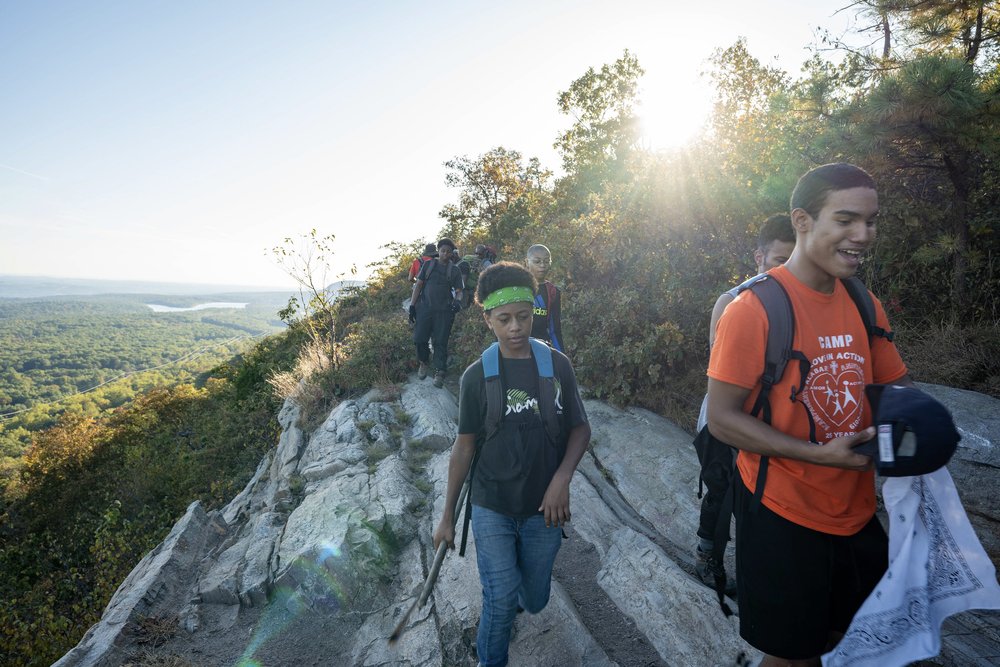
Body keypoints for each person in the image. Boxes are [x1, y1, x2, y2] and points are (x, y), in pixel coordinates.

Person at [707, 163, 913, 665]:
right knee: (792, 655)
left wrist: (912, 432)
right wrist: (818, 454)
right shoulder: (752, 310)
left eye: (871, 221)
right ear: (801, 220)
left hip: (858, 511)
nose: (863, 235)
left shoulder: (865, 303)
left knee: (859, 642)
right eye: (845, 220)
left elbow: (894, 389)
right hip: (781, 513)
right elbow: (722, 419)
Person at [432, 261, 591, 667]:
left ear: (533, 311)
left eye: (523, 316)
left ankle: (517, 597)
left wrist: (562, 480)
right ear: (488, 319)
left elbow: (579, 429)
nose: (516, 327)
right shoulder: (475, 378)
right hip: (492, 505)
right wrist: (447, 516)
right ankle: (491, 658)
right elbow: (464, 449)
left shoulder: (556, 366)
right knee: (500, 598)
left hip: (544, 508)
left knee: (534, 599)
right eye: (504, 319)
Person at [693, 214, 795, 589]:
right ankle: (708, 557)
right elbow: (723, 374)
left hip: (771, 421)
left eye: (794, 260)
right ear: (759, 256)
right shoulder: (734, 301)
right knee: (722, 489)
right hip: (728, 418)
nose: (787, 271)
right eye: (779, 261)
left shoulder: (801, 301)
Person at [409, 238, 464, 387]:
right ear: (438, 252)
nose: (445, 254)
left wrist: (457, 302)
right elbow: (418, 285)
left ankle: (440, 371)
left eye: (448, 251)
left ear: (452, 253)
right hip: (425, 309)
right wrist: (412, 306)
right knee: (420, 338)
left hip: (444, 312)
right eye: (442, 251)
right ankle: (423, 362)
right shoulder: (428, 265)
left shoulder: (454, 270)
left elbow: (459, 291)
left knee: (440, 342)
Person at [524, 244, 564, 352]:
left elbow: (554, 330)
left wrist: (562, 359)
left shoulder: (553, 292)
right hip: (517, 349)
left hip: (542, 350)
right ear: (527, 262)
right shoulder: (517, 288)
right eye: (537, 261)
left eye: (546, 261)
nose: (542, 265)